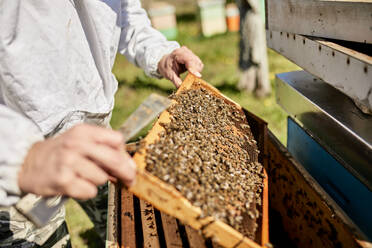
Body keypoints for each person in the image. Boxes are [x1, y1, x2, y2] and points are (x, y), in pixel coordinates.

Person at [0, 0, 203, 247]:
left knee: (131, 231)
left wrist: (160, 53)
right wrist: (19, 155)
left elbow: (124, 15)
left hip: (95, 136)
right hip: (22, 156)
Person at [236, 0, 270, 97]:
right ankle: (249, 84)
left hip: (254, 18)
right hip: (246, 18)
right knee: (247, 53)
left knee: (257, 55)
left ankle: (262, 86)